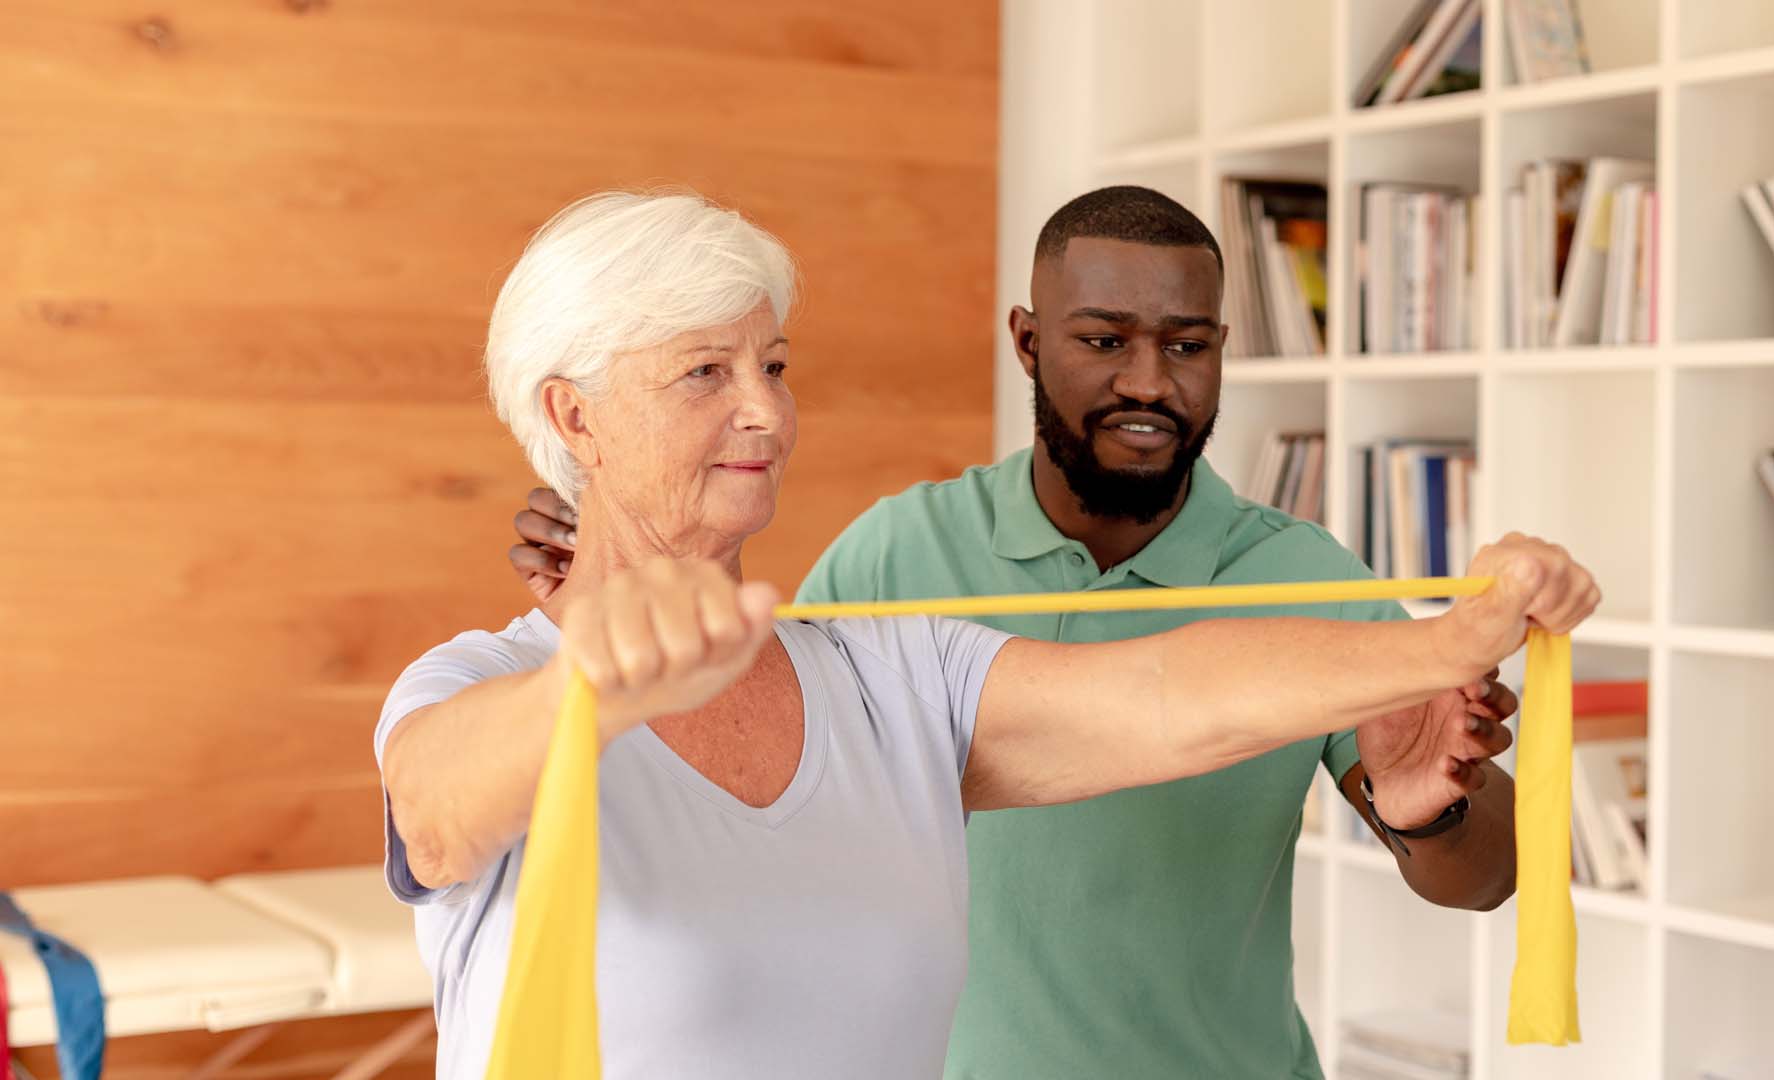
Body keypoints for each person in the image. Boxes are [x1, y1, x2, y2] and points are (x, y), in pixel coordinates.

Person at [397, 188, 1596, 1078]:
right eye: (705, 372)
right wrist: (589, 682)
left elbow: (1166, 692)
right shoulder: (481, 681)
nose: (766, 410)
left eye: (774, 365)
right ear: (575, 419)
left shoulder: (898, 671)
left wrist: (1449, 645)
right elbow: (439, 811)